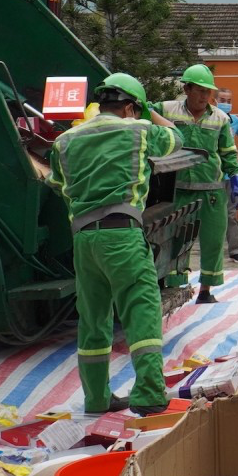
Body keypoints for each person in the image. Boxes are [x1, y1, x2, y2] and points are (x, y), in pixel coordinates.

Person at [45, 73, 178, 416]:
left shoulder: (65, 140)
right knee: (141, 309)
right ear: (131, 107)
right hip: (122, 234)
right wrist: (151, 112)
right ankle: (149, 393)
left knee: (93, 319)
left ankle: (96, 399)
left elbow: (58, 184)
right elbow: (176, 139)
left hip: (84, 240)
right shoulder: (140, 130)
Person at [162, 64, 238, 304]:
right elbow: (142, 111)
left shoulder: (219, 117)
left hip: (212, 190)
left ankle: (206, 291)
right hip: (178, 189)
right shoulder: (168, 110)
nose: (205, 97)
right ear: (186, 88)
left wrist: (236, 179)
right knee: (176, 241)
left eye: (208, 92)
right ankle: (175, 289)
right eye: (199, 91)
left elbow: (228, 151)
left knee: (213, 240)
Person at [216, 88, 238, 263]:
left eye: (228, 100)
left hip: (229, 174)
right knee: (210, 215)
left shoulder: (234, 121)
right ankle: (213, 250)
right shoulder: (209, 119)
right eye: (222, 100)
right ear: (215, 100)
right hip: (210, 174)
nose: (226, 103)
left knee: (231, 214)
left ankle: (235, 250)